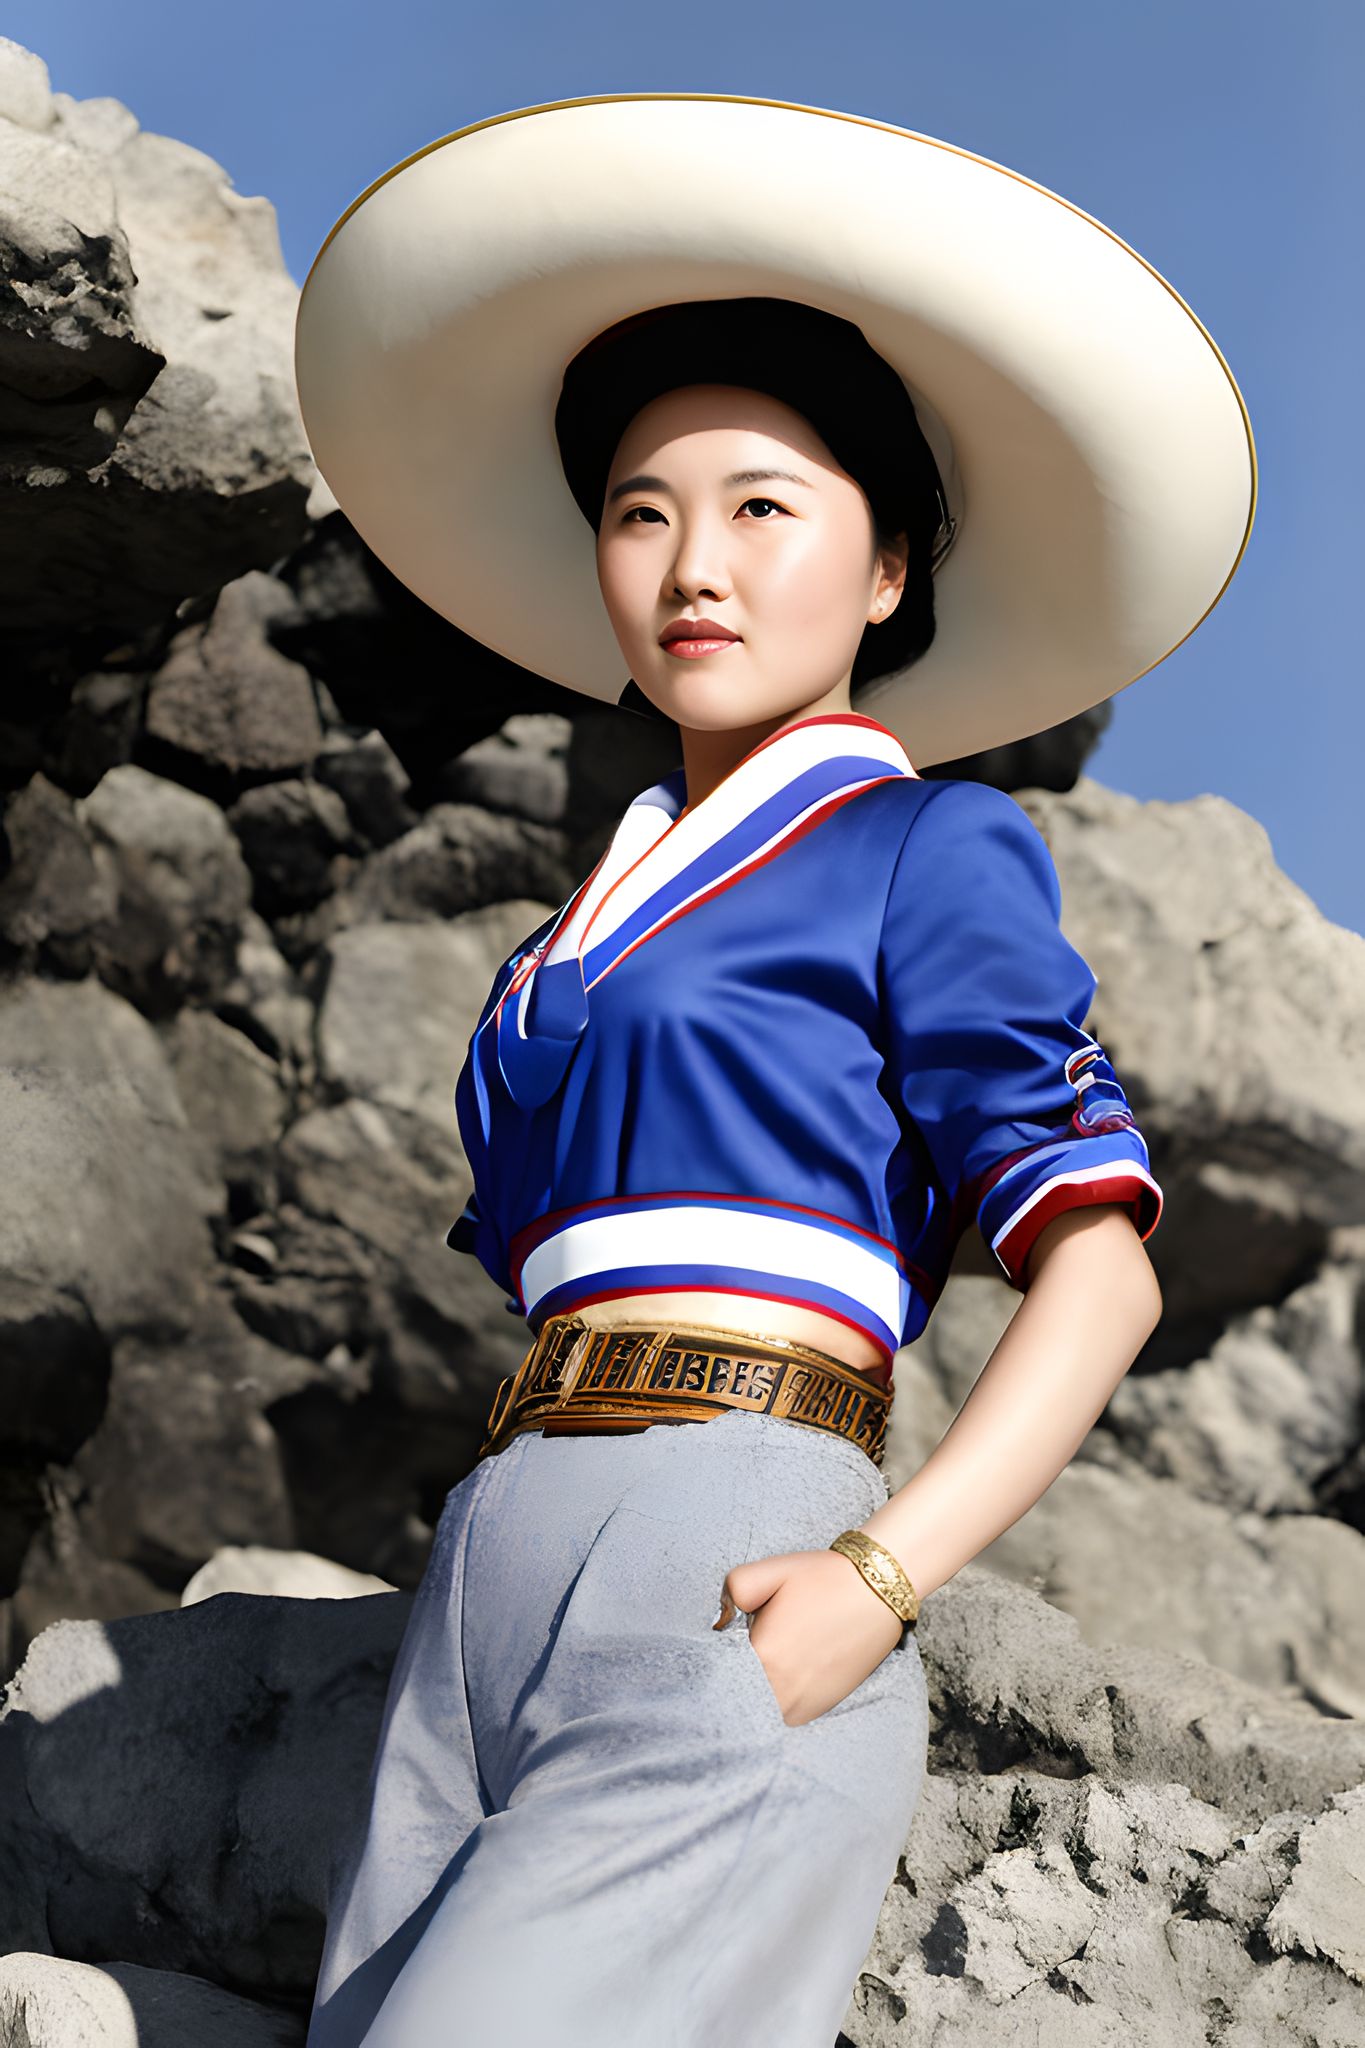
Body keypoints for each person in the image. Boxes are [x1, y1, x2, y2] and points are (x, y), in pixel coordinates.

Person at [293, 96, 1255, 2048]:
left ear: (886, 571)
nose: (688, 564)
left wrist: (876, 1579)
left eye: (760, 507)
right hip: (485, 1570)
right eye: (639, 513)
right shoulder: (568, 932)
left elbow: (1103, 1268)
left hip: (738, 1548)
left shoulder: (925, 849)